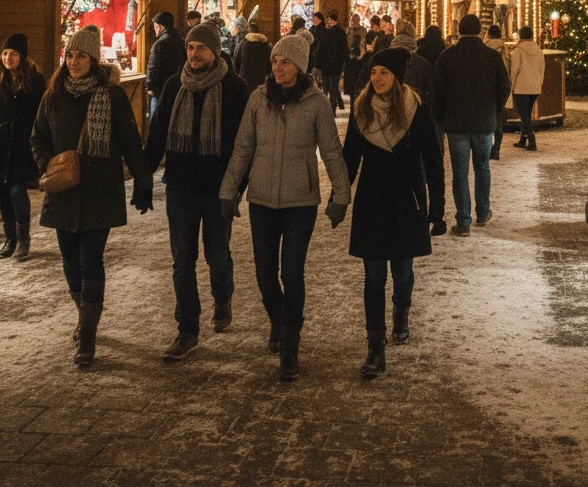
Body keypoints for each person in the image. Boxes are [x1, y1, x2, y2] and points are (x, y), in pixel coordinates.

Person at [219, 34, 351, 382]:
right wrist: (228, 191)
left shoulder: (317, 103)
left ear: (300, 66)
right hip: (261, 199)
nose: (278, 67)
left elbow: (332, 151)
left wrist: (341, 196)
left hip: (300, 202)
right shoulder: (258, 99)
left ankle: (290, 346)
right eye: (276, 61)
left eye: (286, 62)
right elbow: (243, 148)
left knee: (292, 274)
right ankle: (278, 320)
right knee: (264, 274)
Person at [30, 26, 153, 367]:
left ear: (94, 60)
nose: (73, 62)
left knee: (90, 261)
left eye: (81, 56)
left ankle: (87, 336)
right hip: (63, 192)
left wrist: (143, 182)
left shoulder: (111, 96)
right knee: (69, 262)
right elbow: (37, 137)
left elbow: (130, 140)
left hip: (100, 190)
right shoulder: (53, 96)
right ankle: (83, 315)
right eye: (69, 55)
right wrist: (49, 163)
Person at [145, 22, 250, 360]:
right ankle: (186, 330)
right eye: (190, 48)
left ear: (215, 51)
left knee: (217, 256)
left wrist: (236, 187)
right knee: (182, 262)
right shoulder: (175, 84)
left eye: (201, 48)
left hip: (218, 189)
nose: (194, 54)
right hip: (180, 187)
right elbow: (158, 133)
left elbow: (244, 145)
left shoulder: (234, 88)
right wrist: (144, 176)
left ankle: (223, 296)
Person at [343, 48, 445, 378]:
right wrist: (339, 196)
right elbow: (349, 159)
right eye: (374, 72)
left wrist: (438, 207)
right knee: (373, 277)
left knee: (402, 272)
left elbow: (433, 161)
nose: (377, 78)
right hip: (371, 203)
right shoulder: (361, 110)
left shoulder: (417, 111)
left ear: (397, 77)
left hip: (407, 202)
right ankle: (375, 348)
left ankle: (401, 310)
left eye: (384, 72)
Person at [432, 14, 510, 236]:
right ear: (480, 31)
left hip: (456, 123)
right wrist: (494, 110)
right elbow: (504, 86)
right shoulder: (492, 57)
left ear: (460, 31)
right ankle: (483, 211)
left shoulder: (448, 56)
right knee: (482, 167)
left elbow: (438, 90)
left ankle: (463, 220)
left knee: (460, 171)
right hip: (484, 121)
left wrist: (441, 116)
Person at [0, 33, 46, 261]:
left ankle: (23, 239)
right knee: (3, 193)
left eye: (13, 53)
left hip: (22, 145)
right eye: (4, 53)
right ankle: (10, 238)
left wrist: (36, 137)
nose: (7, 58)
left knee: (17, 190)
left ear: (22, 56)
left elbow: (42, 112)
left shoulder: (35, 80)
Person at [510, 26, 545, 153]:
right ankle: (522, 139)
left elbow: (515, 70)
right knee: (527, 113)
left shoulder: (518, 51)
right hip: (534, 87)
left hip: (521, 86)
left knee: (524, 115)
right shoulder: (538, 50)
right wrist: (539, 83)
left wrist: (511, 84)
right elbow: (542, 68)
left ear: (520, 36)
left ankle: (532, 140)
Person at [145, 11, 186, 121]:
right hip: (179, 88)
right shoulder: (182, 41)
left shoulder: (160, 43)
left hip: (160, 90)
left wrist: (150, 87)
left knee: (156, 122)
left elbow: (153, 67)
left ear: (160, 26)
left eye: (155, 26)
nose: (154, 30)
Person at [317, 10, 348, 114]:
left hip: (330, 65)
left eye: (329, 20)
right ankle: (331, 108)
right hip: (333, 65)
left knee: (330, 87)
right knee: (331, 87)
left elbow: (323, 48)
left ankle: (330, 109)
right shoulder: (338, 32)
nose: (328, 22)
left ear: (334, 21)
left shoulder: (333, 33)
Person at [390, 33, 434, 105]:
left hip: (394, 106)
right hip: (415, 105)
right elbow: (429, 91)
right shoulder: (422, 63)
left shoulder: (387, 62)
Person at [483, 25, 507, 159]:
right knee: (498, 120)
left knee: (485, 120)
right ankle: (496, 149)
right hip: (498, 88)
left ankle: (485, 149)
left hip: (486, 87)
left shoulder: (484, 47)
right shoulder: (503, 47)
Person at [234, 19, 271, 93]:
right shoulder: (265, 45)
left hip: (244, 78)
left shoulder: (242, 44)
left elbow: (236, 61)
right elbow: (269, 65)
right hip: (260, 79)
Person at [344, 13, 367, 104]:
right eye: (352, 20)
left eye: (355, 20)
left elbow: (363, 43)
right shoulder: (348, 30)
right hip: (350, 59)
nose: (353, 22)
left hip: (359, 59)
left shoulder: (362, 30)